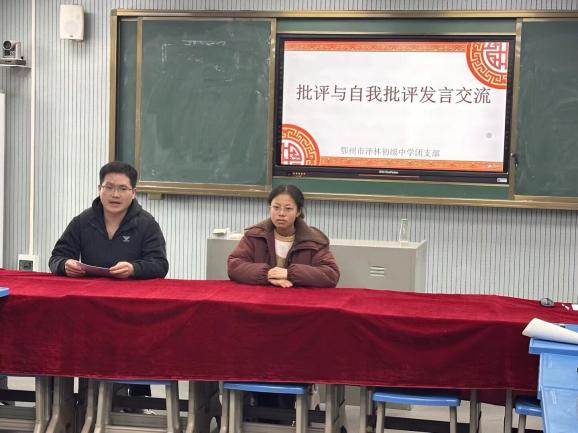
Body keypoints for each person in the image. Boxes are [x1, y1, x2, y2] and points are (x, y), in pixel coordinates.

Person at [49, 161, 169, 280]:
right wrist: (64, 265)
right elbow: (56, 258)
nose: (115, 194)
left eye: (123, 188)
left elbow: (160, 265)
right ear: (99, 189)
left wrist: (134, 269)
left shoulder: (147, 224)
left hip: (131, 290)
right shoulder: (82, 221)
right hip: (90, 289)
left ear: (133, 193)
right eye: (109, 187)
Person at [228, 184, 339, 288]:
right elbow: (234, 265)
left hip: (300, 299)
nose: (281, 213)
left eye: (288, 208)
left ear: (298, 211)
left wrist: (290, 274)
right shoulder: (255, 235)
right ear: (269, 208)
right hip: (262, 297)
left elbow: (331, 274)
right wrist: (267, 274)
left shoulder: (314, 240)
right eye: (276, 207)